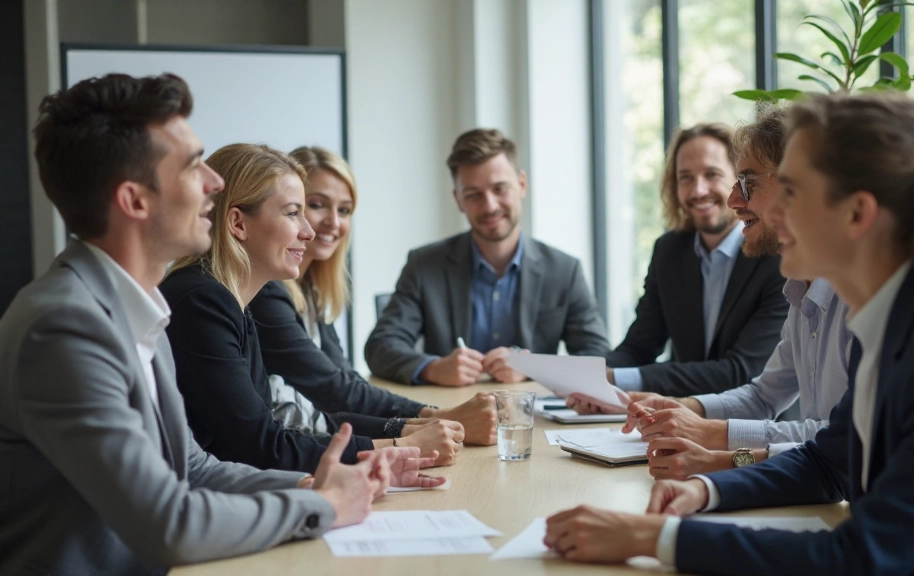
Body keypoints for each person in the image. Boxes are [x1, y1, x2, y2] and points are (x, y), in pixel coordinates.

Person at [544, 92, 914, 574]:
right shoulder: (890, 319)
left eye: (790, 192)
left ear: (857, 214)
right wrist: (707, 490)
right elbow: (826, 463)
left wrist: (656, 537)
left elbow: (862, 557)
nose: (766, 213)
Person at [0, 73, 398, 574]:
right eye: (193, 167)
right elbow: (169, 523)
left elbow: (192, 468)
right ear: (135, 201)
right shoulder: (62, 328)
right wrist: (323, 506)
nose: (214, 183)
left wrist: (311, 484)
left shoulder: (137, 307)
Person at [573, 105, 852, 479]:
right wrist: (682, 409)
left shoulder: (861, 298)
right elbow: (762, 397)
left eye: (746, 183)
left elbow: (841, 443)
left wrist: (713, 440)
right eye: (685, 177)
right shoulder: (799, 288)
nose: (733, 199)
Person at [160, 143, 464, 471]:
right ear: (237, 223)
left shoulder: (234, 304)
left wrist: (402, 431)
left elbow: (278, 424)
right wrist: (398, 447)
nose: (308, 232)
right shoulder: (204, 301)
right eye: (294, 213)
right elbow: (257, 444)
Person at [249, 145, 498, 445]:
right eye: (315, 205)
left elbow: (345, 379)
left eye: (344, 210)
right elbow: (334, 389)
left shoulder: (310, 290)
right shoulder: (266, 291)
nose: (333, 222)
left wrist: (430, 419)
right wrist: (436, 416)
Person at [364, 128, 610, 386]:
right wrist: (433, 368)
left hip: (531, 416)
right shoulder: (424, 265)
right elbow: (380, 346)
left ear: (522, 185)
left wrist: (533, 367)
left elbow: (598, 356)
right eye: (473, 195)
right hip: (449, 416)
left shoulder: (564, 270)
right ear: (458, 199)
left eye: (500, 189)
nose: (490, 205)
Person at [602, 123, 788, 397]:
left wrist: (619, 379)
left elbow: (741, 372)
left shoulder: (776, 255)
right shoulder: (669, 251)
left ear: (740, 182)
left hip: (760, 430)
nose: (698, 191)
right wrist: (589, 378)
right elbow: (639, 347)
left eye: (712, 174)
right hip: (679, 422)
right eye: (685, 178)